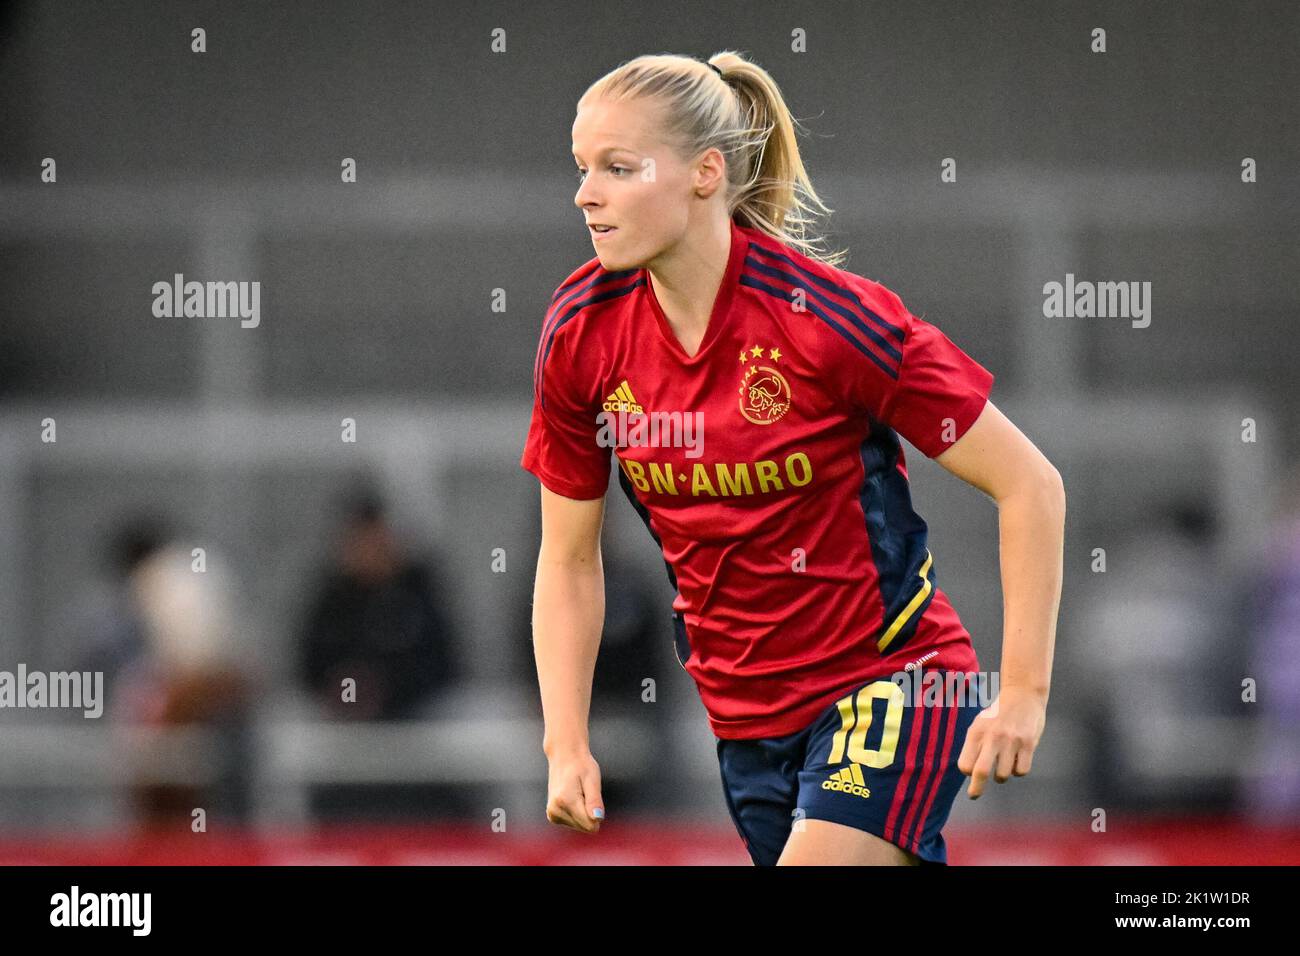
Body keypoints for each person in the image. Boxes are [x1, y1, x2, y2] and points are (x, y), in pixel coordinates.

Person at [521, 51, 1065, 865]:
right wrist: (566, 744)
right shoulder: (579, 332)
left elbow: (1029, 483)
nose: (585, 194)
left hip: (894, 682)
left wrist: (1021, 692)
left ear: (706, 173)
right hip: (747, 724)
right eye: (581, 168)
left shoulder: (825, 320)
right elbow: (568, 562)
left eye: (617, 168)